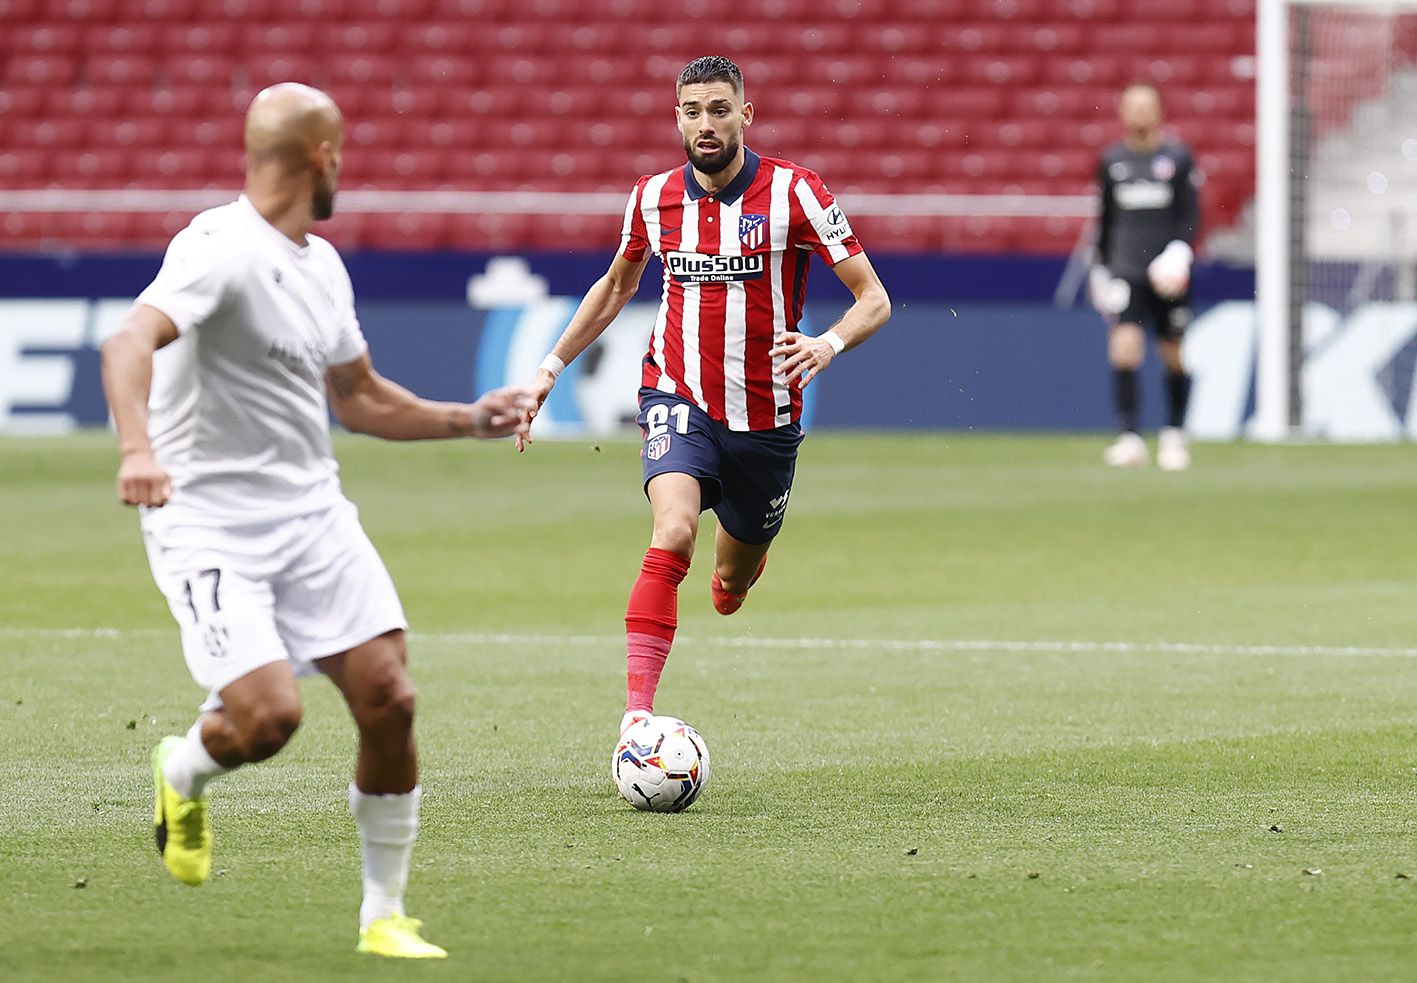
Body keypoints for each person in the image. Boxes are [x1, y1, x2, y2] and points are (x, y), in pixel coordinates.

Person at [100, 82, 533, 960]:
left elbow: (361, 395)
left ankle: (384, 914)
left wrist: (466, 417)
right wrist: (137, 448)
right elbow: (127, 340)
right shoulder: (218, 248)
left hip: (310, 514)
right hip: (209, 523)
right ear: (322, 157)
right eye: (343, 153)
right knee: (267, 720)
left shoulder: (320, 264)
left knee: (390, 696)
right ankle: (182, 770)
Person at [514, 56, 890, 736]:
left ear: (745, 114)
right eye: (692, 111)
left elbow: (874, 298)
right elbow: (616, 286)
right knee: (674, 529)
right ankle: (636, 719)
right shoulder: (651, 198)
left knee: (728, 584)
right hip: (675, 394)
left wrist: (825, 344)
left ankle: (738, 570)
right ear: (676, 117)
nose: (705, 124)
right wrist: (548, 368)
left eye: (719, 109)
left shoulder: (795, 193)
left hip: (766, 418)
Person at [1089, 82, 1202, 471]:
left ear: (1159, 112)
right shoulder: (1112, 161)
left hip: (1167, 271)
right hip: (1125, 268)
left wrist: (1180, 253)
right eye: (1131, 106)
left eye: (1145, 106)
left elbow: (1190, 216)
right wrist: (1101, 267)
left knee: (1172, 353)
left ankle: (1174, 435)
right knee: (1124, 348)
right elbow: (1105, 220)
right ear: (1122, 113)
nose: (1138, 113)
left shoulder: (1177, 157)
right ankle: (1130, 438)